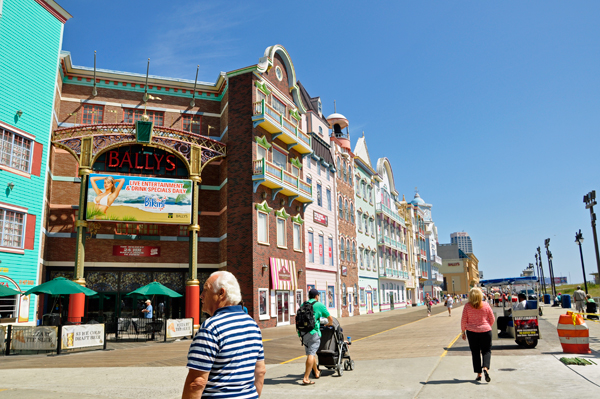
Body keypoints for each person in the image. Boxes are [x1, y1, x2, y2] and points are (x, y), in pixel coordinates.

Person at [183, 271, 265, 398]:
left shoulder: (211, 328)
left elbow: (197, 382)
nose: (201, 296)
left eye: (205, 290)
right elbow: (260, 371)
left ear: (221, 293)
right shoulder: (252, 325)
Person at [299, 288, 333, 385]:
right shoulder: (319, 305)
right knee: (311, 354)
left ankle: (316, 372)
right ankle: (306, 378)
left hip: (303, 333)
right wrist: (329, 324)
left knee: (311, 352)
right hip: (313, 332)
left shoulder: (303, 304)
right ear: (317, 296)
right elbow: (330, 318)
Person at [461, 287, 495, 383]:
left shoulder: (467, 306)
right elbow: (492, 319)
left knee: (475, 352)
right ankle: (485, 368)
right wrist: (487, 326)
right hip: (486, 331)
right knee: (486, 351)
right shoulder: (486, 305)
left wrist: (463, 332)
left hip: (472, 332)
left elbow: (464, 320)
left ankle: (479, 374)